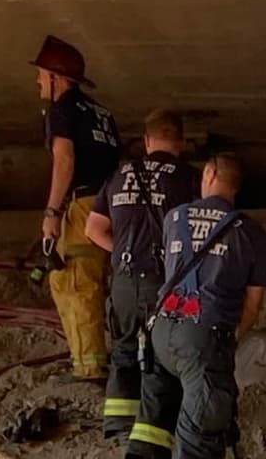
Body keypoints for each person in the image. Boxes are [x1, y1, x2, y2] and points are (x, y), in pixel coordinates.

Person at [124, 153, 266, 459]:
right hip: (203, 335)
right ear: (236, 185)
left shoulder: (175, 217)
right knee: (202, 423)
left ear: (208, 175)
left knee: (192, 398)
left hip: (161, 330)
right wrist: (227, 341)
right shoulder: (250, 232)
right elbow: (253, 304)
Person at [85, 109, 199, 440]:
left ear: (147, 141)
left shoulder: (120, 174)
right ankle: (153, 434)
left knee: (123, 349)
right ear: (181, 142)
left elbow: (93, 229)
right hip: (164, 280)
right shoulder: (188, 178)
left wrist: (122, 251)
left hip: (124, 278)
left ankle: (119, 425)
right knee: (161, 353)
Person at [31, 35, 121, 382]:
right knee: (73, 280)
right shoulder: (101, 112)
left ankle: (89, 369)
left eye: (41, 74)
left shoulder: (62, 109)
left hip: (82, 206)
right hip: (108, 206)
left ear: (56, 78)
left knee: (76, 284)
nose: (38, 81)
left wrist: (51, 213)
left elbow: (64, 160)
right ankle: (85, 359)